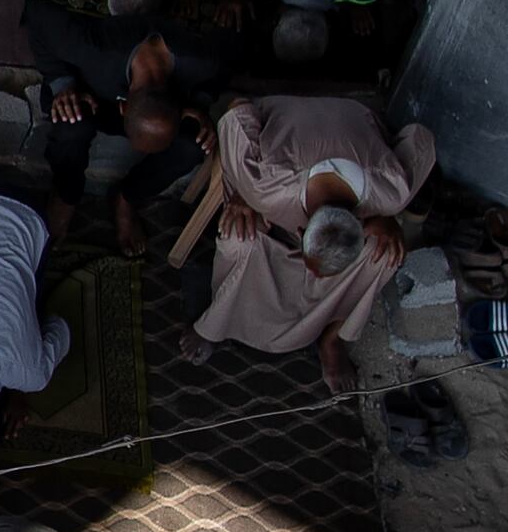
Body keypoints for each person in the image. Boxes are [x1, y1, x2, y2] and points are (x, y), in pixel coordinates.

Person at [183, 93, 438, 387]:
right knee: (238, 237)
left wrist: (386, 219)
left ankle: (332, 340)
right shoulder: (267, 185)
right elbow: (237, 106)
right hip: (283, 140)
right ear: (302, 231)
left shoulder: (392, 191)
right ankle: (214, 325)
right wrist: (244, 190)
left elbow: (422, 138)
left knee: (383, 255)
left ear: (361, 222)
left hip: (352, 119)